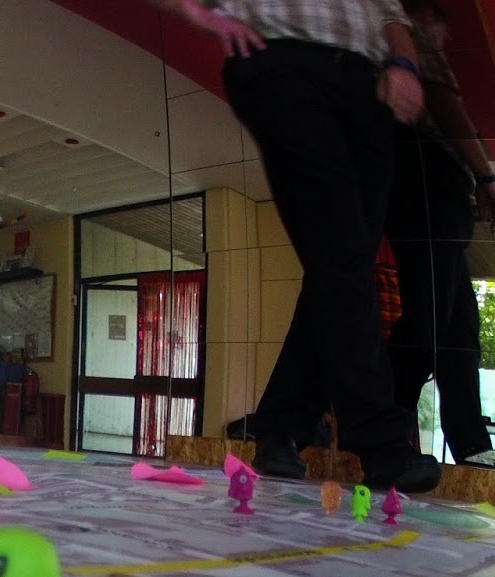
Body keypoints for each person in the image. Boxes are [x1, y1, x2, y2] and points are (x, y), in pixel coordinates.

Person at [153, 0, 443, 493]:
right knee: (342, 257)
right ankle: (380, 443)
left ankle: (281, 425)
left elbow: (391, 14)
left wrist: (404, 64)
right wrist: (203, 16)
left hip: (368, 84)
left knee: (343, 263)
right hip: (282, 64)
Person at [383, 0, 495, 470]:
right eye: (442, 26)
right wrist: (486, 177)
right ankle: (382, 429)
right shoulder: (412, 41)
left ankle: (469, 443)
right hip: (428, 183)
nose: (445, 38)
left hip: (432, 191)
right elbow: (445, 106)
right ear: (428, 16)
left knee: (458, 327)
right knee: (430, 322)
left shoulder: (402, 45)